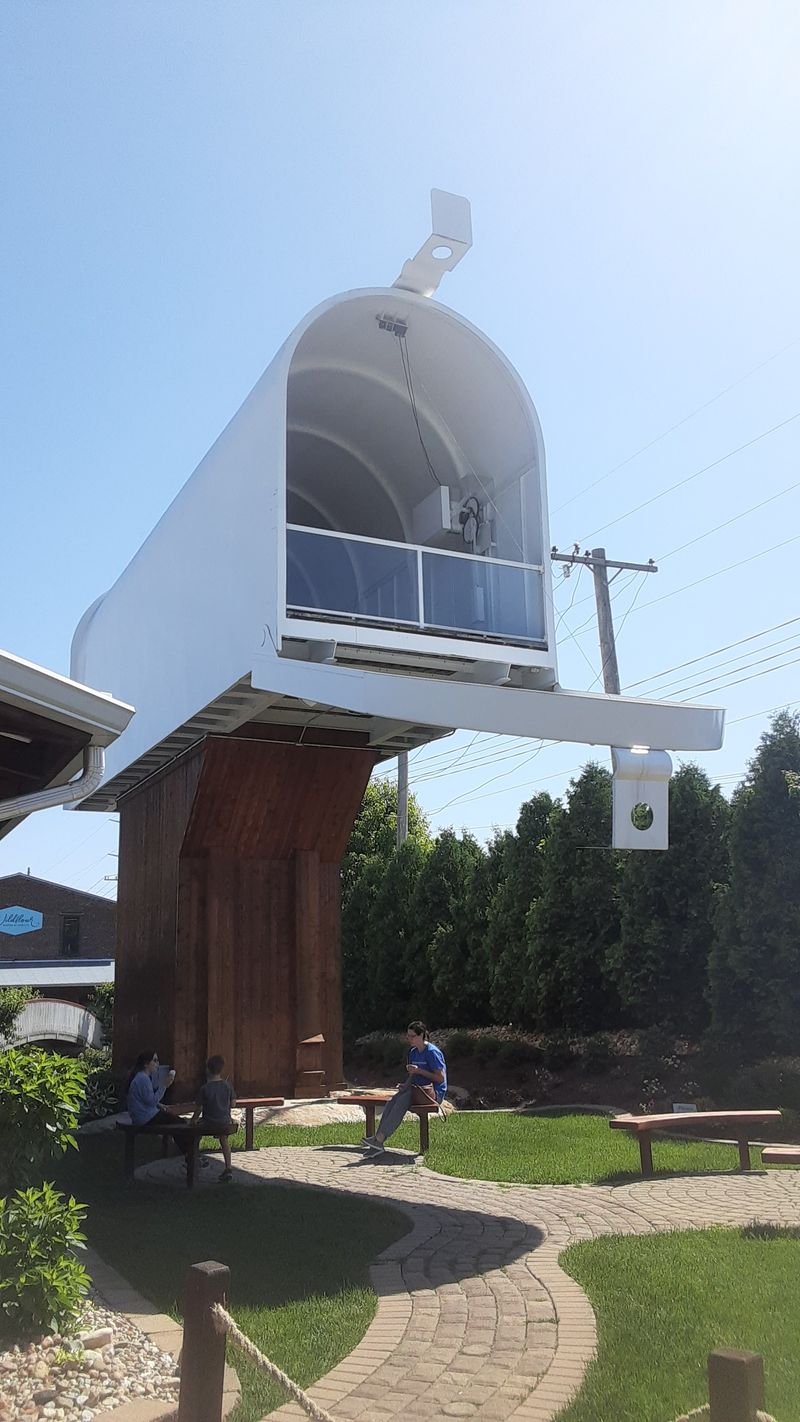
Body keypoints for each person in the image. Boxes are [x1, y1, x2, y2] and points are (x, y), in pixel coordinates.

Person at [361, 1021, 447, 1155]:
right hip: (415, 1090)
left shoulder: (432, 1053)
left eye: (412, 1036)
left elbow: (440, 1078)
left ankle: (379, 1139)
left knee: (401, 1102)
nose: (409, 1039)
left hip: (432, 1094)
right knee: (392, 1102)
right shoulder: (413, 1053)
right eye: (408, 1036)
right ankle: (378, 1141)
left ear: (421, 1035)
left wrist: (419, 1071)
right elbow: (413, 1076)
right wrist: (405, 1085)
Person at [125, 1049, 191, 1157]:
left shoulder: (141, 1077)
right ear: (146, 1064)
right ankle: (190, 1154)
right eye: (154, 1061)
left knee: (177, 1121)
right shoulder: (143, 1079)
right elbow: (151, 1102)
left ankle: (188, 1152)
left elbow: (145, 1099)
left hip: (143, 1116)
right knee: (179, 1123)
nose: (157, 1064)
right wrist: (164, 1085)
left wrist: (159, 1105)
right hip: (145, 1118)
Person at [192, 1054, 236, 1183]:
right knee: (224, 1139)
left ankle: (196, 1157)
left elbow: (199, 1108)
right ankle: (228, 1167)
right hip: (224, 1122)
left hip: (208, 1122)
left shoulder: (205, 1088)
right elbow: (233, 1103)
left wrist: (193, 1120)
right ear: (221, 1069)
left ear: (207, 1070)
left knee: (195, 1135)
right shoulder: (227, 1086)